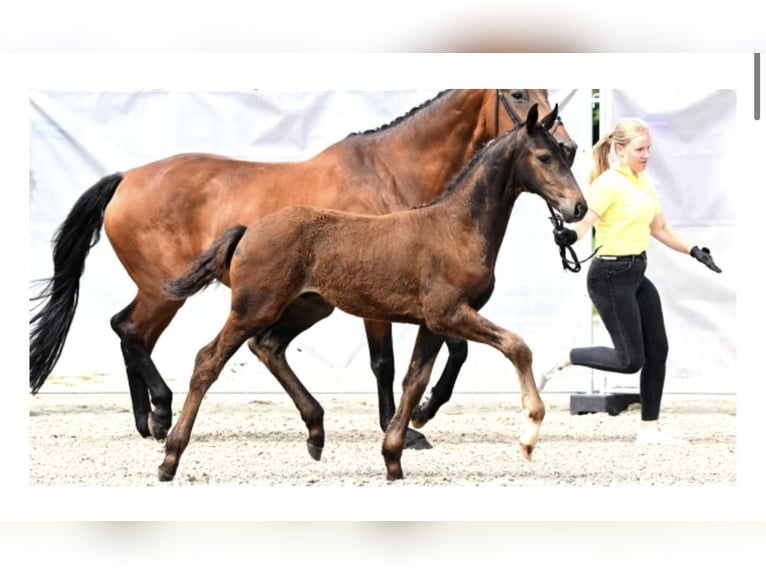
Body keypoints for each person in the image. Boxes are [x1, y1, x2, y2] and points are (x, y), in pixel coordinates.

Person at [540, 117, 722, 445]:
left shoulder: (642, 183)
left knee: (658, 351)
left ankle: (649, 430)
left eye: (649, 148)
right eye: (640, 149)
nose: (647, 155)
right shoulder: (608, 184)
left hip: (636, 274)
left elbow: (661, 229)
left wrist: (693, 250)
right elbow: (583, 225)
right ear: (620, 150)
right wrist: (568, 235)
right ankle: (565, 357)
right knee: (629, 361)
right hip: (609, 276)